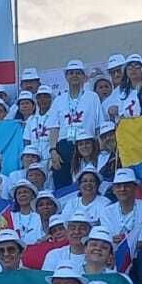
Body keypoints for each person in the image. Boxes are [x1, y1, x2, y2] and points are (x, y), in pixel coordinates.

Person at [45, 60, 104, 189]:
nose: (74, 76)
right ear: (66, 77)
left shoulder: (92, 97)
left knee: (87, 181)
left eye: (78, 73)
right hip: (65, 146)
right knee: (63, 185)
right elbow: (54, 127)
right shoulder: (59, 100)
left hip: (87, 145)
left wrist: (100, 148)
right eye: (71, 73)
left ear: (84, 76)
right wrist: (53, 150)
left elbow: (99, 125)